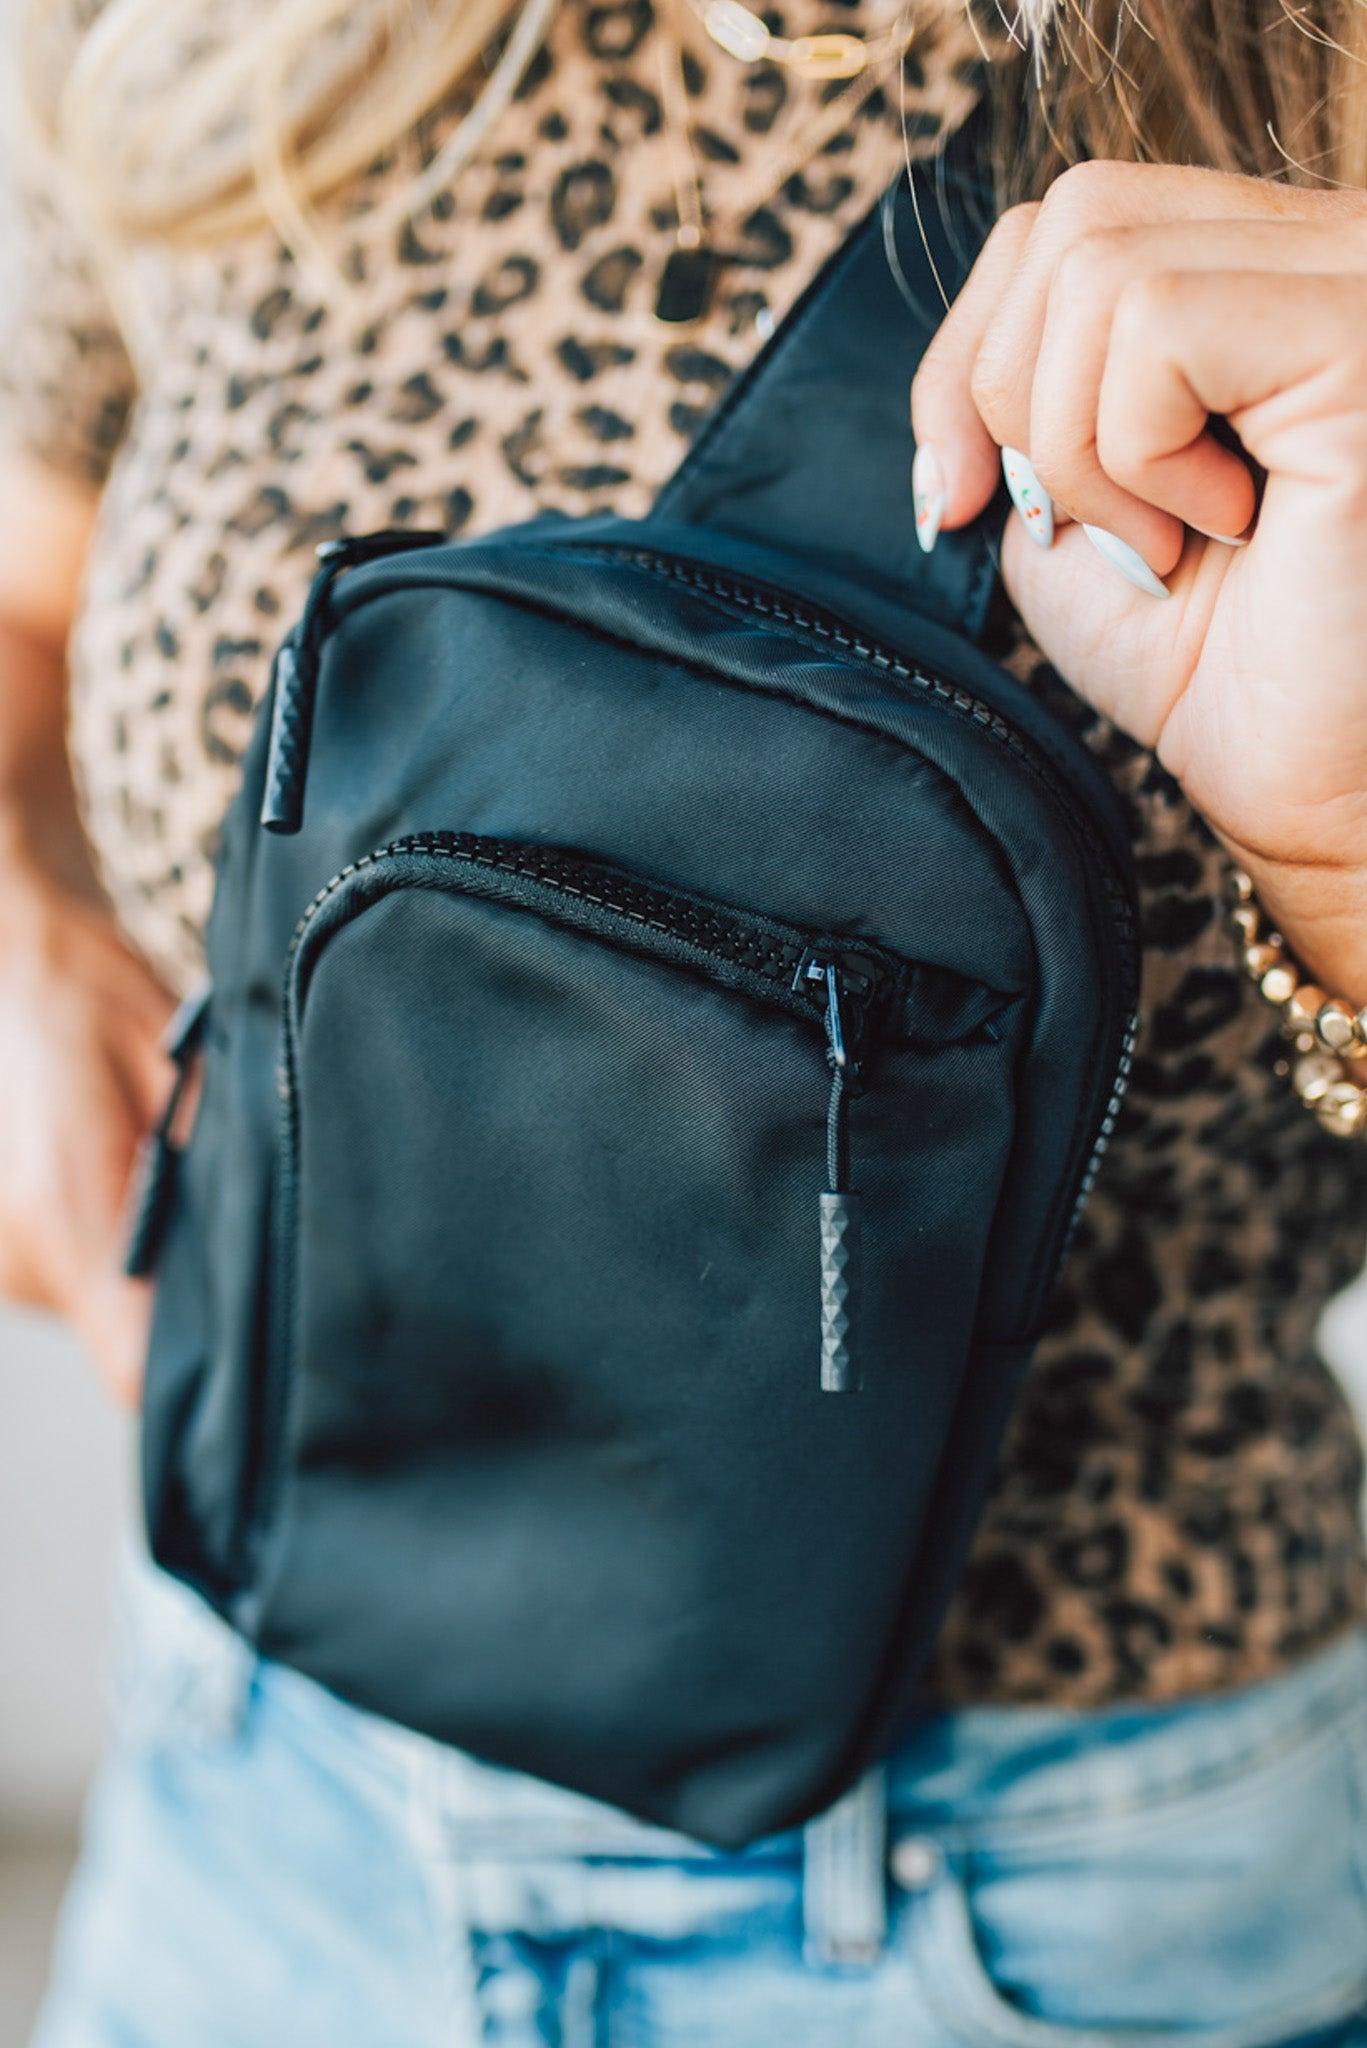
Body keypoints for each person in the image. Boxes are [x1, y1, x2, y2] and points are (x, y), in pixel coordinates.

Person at [3, 0, 1367, 2039]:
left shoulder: (1317, 108)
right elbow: (31, 599)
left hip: (1043, 1897)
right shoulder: (219, 37)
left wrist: (1342, 849)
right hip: (257, 1782)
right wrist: (21, 939)